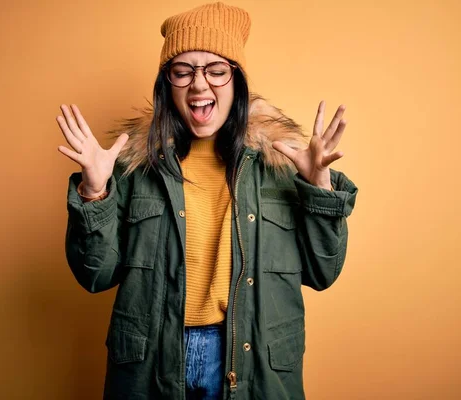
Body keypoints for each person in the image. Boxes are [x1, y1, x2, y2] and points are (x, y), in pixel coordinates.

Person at [56, 2, 358, 399]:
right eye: (183, 71)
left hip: (250, 361)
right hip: (155, 361)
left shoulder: (281, 165)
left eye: (216, 70)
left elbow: (324, 272)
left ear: (238, 83)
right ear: (167, 84)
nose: (200, 85)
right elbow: (95, 275)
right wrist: (95, 191)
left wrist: (318, 185)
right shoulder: (135, 167)